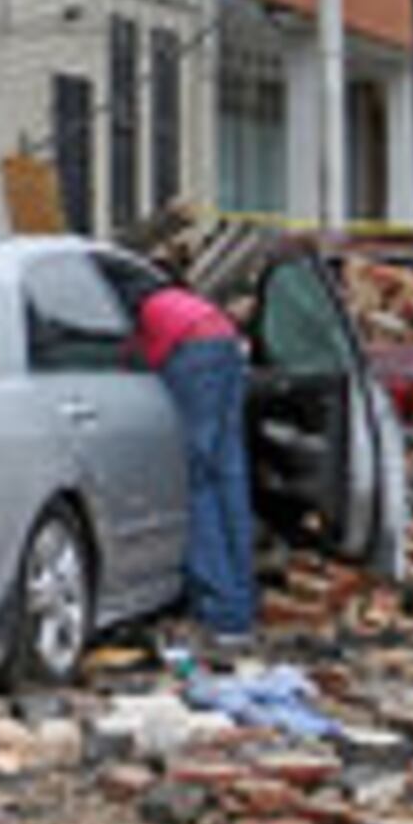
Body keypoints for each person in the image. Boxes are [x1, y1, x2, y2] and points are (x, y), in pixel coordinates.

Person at [129, 270, 258, 642]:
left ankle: (220, 611)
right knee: (227, 478)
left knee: (194, 482)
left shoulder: (117, 305)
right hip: (225, 341)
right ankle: (239, 607)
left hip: (193, 350)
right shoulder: (162, 293)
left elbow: (134, 357)